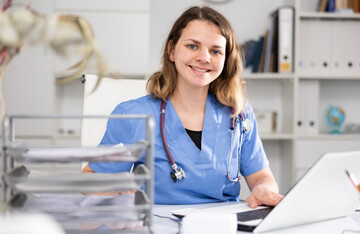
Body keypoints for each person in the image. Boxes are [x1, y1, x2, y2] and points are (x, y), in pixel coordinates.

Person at [83, 6, 283, 208]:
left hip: (224, 228)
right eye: (192, 46)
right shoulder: (134, 115)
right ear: (171, 50)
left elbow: (261, 178)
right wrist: (115, 188)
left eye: (215, 51)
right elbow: (89, 180)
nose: (204, 57)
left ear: (225, 60)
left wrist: (263, 189)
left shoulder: (238, 114)